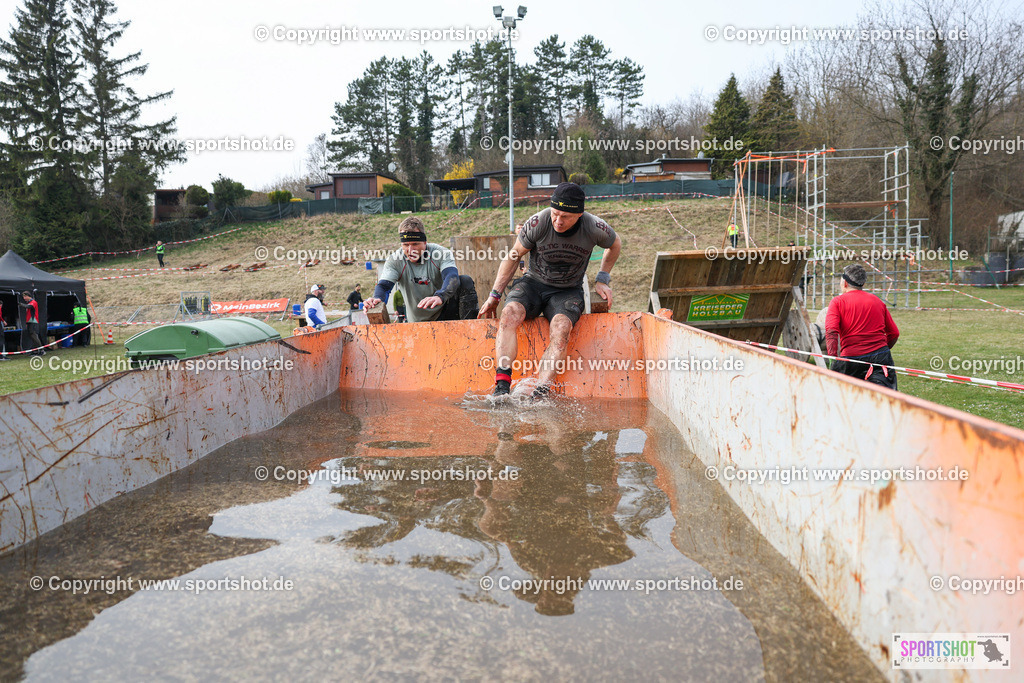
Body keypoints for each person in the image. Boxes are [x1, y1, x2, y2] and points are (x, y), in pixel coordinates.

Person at [478, 182, 621, 398]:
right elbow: (514, 255)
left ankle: (540, 393)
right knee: (509, 314)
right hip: (533, 283)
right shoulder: (538, 222)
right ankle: (501, 386)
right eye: (555, 214)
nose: (558, 221)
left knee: (562, 328)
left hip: (567, 290)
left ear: (579, 215)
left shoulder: (593, 226)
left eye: (565, 217)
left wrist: (602, 279)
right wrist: (494, 296)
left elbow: (616, 244)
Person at [363, 216, 478, 322]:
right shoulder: (395, 260)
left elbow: (452, 277)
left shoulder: (441, 253)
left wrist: (440, 296)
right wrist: (377, 298)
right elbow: (384, 286)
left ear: (424, 242)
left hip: (444, 313)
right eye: (406, 245)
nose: (411, 249)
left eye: (415, 244)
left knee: (465, 281)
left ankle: (470, 330)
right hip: (417, 321)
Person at [825, 264, 900, 390]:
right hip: (881, 357)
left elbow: (831, 331)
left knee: (845, 400)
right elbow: (894, 333)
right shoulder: (878, 301)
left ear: (844, 283)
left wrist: (834, 358)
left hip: (851, 359)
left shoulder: (837, 302)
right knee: (886, 400)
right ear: (862, 284)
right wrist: (881, 351)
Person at [19, 291, 44, 356]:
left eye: (25, 296)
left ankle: (41, 350)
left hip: (33, 321)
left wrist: (22, 304)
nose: (24, 298)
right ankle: (35, 351)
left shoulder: (33, 302)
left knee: (34, 335)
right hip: (30, 321)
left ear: (28, 296)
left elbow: (29, 307)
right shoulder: (29, 302)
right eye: (23, 297)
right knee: (32, 336)